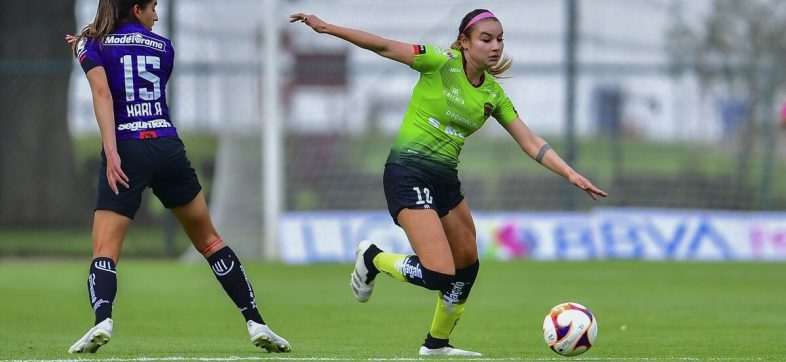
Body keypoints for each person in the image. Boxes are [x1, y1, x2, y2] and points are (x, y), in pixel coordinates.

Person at [290, 9, 607, 357]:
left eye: (499, 39)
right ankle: (373, 258)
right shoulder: (440, 61)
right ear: (464, 42)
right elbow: (382, 46)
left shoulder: (493, 94)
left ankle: (436, 345)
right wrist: (327, 28)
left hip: (445, 180)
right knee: (439, 273)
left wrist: (571, 174)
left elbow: (530, 141)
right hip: (407, 171)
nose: (495, 46)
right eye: (486, 39)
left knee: (467, 264)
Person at [65, 0, 290, 354]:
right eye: (153, 7)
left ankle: (102, 320)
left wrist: (110, 151)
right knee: (210, 240)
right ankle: (256, 320)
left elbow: (104, 92)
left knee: (104, 250)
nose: (156, 15)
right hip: (168, 146)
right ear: (136, 9)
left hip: (127, 147)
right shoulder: (165, 48)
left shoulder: (91, 44)